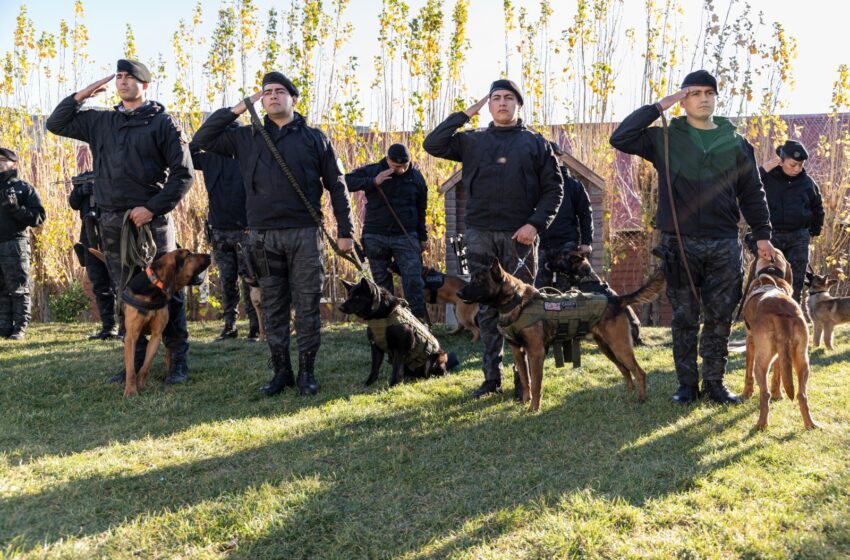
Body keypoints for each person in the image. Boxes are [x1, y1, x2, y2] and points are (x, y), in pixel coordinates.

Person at [610, 69, 774, 405]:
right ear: (684, 99)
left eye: (707, 92)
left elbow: (753, 194)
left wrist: (763, 236)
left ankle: (714, 382)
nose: (702, 98)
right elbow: (621, 137)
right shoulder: (667, 138)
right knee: (684, 317)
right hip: (679, 243)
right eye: (694, 92)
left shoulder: (737, 143)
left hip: (723, 243)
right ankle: (686, 385)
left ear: (715, 98)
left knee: (719, 316)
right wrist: (661, 105)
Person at [192, 71, 355, 397]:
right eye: (266, 93)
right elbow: (202, 140)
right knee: (273, 306)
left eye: (280, 91)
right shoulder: (247, 138)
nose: (272, 96)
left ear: (293, 99)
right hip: (262, 237)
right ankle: (281, 372)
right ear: (261, 100)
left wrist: (346, 231)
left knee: (307, 306)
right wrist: (241, 106)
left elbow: (338, 186)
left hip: (304, 235)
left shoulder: (315, 138)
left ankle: (307, 372)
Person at [46, 59, 195, 384]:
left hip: (150, 223)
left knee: (167, 288)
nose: (123, 82)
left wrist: (153, 208)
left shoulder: (163, 123)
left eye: (130, 77)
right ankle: (134, 360)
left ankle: (177, 360)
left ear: (145, 85)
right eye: (120, 77)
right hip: (112, 222)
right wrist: (83, 94)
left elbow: (184, 174)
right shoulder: (102, 121)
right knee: (126, 292)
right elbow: (55, 123)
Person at [424, 79, 563, 398]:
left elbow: (554, 189)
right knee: (487, 309)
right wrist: (466, 113)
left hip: (520, 237)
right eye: (495, 98)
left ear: (518, 104)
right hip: (480, 235)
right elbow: (433, 143)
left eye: (509, 98)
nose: (502, 103)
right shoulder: (472, 140)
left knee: (525, 310)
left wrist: (535, 224)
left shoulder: (535, 143)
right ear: (488, 105)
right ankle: (491, 380)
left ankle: (523, 384)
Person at [189, 131, 261, 342]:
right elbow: (189, 153)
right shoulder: (210, 159)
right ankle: (229, 326)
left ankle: (255, 327)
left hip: (246, 229)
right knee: (227, 280)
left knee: (251, 280)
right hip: (219, 229)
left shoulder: (249, 155)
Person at [345, 143, 428, 319]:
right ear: (387, 159)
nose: (402, 169)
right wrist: (373, 182)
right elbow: (345, 181)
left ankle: (420, 322)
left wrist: (423, 237)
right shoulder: (373, 170)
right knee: (382, 286)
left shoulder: (417, 178)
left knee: (414, 281)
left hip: (406, 235)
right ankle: (388, 323)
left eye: (405, 165)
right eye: (396, 166)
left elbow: (421, 210)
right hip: (375, 235)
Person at [757, 140, 824, 302]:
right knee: (769, 278)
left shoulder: (807, 182)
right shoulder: (766, 178)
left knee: (796, 280)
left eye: (800, 165)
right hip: (772, 237)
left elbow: (817, 207)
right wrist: (762, 171)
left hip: (799, 237)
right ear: (781, 161)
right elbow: (745, 186)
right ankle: (770, 317)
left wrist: (814, 231)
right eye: (793, 164)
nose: (797, 169)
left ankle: (793, 319)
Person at [0, 148, 46, 340]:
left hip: (14, 244)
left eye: (3, 160)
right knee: (1, 289)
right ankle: (3, 327)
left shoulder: (23, 188)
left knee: (18, 288)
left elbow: (39, 217)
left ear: (14, 164)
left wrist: (16, 209)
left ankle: (19, 328)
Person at [535, 141, 593, 291]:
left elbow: (585, 214)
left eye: (554, 157)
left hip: (566, 244)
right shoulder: (535, 185)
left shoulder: (574, 185)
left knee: (566, 290)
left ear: (560, 158)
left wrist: (586, 242)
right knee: (538, 290)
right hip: (541, 244)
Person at [68, 171, 118, 340]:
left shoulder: (116, 171)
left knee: (119, 283)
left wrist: (102, 190)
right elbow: (73, 203)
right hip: (89, 235)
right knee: (99, 284)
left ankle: (127, 327)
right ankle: (108, 326)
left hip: (113, 235)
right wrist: (81, 191)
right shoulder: (85, 177)